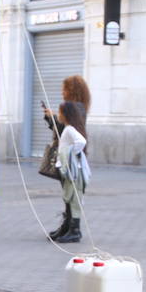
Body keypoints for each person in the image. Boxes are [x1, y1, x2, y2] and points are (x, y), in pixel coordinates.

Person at [41, 74, 91, 239]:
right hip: (68, 160)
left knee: (72, 193)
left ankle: (74, 229)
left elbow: (67, 130)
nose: (62, 92)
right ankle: (67, 226)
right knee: (68, 193)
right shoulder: (79, 107)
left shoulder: (75, 108)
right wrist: (52, 118)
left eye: (64, 89)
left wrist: (54, 117)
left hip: (71, 161)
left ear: (71, 90)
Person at [52, 101, 90, 244]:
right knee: (69, 198)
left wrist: (70, 155)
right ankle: (68, 228)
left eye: (60, 112)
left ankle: (75, 231)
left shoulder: (69, 129)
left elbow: (81, 141)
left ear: (66, 114)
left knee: (73, 199)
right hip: (67, 170)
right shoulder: (69, 128)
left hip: (72, 172)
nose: (58, 114)